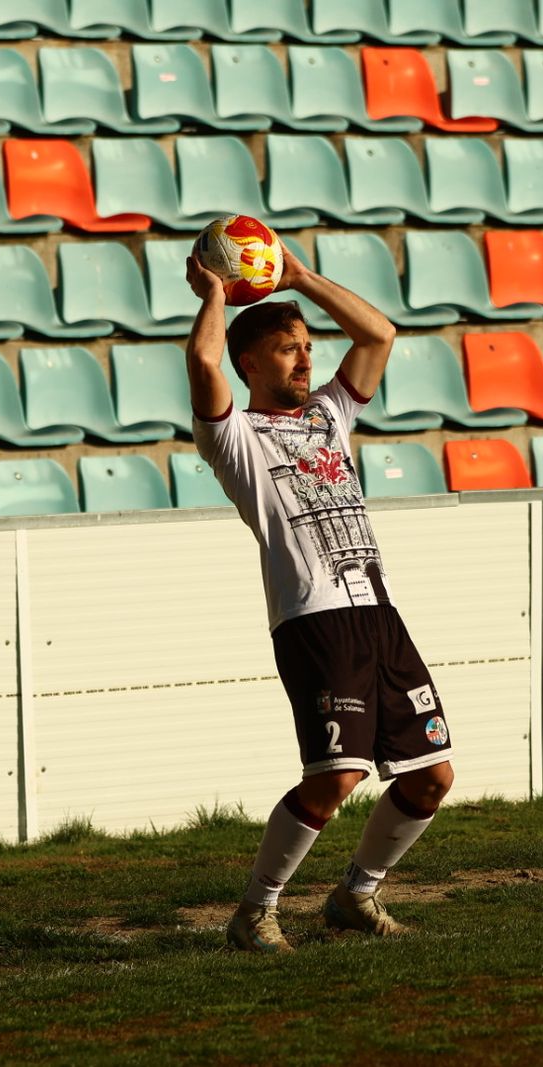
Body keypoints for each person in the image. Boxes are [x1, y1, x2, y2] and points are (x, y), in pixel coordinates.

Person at [184, 250, 454, 953]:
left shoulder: (330, 413)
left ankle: (355, 895)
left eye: (308, 348)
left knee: (431, 776)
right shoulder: (234, 437)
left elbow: (379, 335)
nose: (306, 361)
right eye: (287, 349)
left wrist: (302, 279)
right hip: (314, 620)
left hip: (378, 612)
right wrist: (216, 295)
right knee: (336, 775)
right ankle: (255, 911)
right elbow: (203, 360)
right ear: (250, 363)